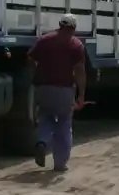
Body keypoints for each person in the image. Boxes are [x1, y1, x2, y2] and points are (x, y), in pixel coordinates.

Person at [27, 13, 86, 172]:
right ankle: (60, 163)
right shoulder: (76, 45)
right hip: (65, 90)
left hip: (43, 88)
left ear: (59, 25)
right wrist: (81, 94)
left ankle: (42, 142)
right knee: (64, 123)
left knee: (46, 117)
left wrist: (37, 71)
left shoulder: (44, 40)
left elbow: (30, 59)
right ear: (73, 28)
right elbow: (80, 71)